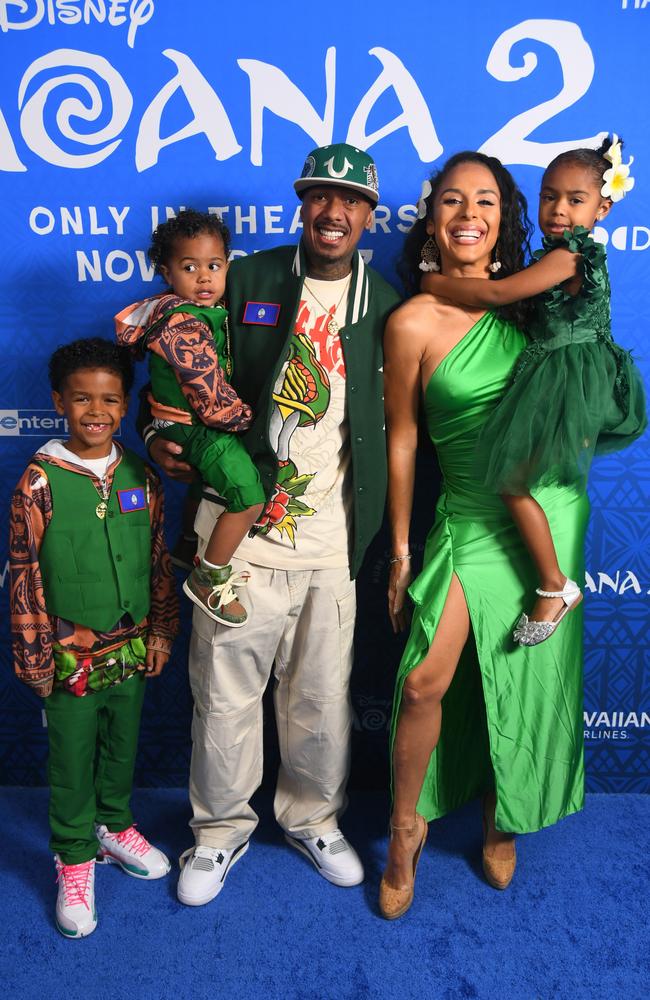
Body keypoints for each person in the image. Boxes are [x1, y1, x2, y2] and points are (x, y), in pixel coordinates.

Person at [144, 144, 400, 905]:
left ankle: (313, 818)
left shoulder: (383, 303)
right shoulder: (245, 276)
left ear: (367, 215)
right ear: (301, 202)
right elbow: (177, 352)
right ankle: (218, 831)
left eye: (349, 200)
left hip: (331, 538)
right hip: (238, 536)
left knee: (321, 698)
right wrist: (160, 435)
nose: (333, 211)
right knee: (224, 696)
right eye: (320, 195)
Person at [378, 151, 587, 920]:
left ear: (506, 217)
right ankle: (405, 828)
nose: (470, 213)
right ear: (433, 216)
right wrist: (401, 549)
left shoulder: (538, 305)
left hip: (546, 513)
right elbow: (402, 439)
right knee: (424, 679)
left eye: (488, 201)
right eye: (455, 200)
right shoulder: (412, 321)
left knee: (525, 675)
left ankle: (506, 815)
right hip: (469, 514)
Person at [419, 135, 646, 646]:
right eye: (549, 196)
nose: (559, 210)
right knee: (516, 481)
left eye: (575, 199)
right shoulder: (556, 254)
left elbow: (499, 292)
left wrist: (434, 285)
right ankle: (549, 579)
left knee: (513, 482)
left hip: (566, 379)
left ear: (603, 207)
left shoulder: (570, 257)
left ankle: (555, 584)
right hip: (556, 371)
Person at [9, 338, 179, 938]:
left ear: (126, 404)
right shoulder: (40, 482)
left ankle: (114, 826)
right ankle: (75, 857)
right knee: (72, 759)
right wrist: (33, 653)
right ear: (59, 402)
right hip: (68, 658)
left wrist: (160, 629)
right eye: (82, 399)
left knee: (121, 745)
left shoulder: (140, 473)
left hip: (130, 651)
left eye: (110, 399)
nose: (97, 412)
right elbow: (25, 572)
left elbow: (158, 557)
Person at [115, 209, 265, 627]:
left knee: (214, 486)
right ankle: (209, 574)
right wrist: (247, 420)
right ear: (167, 272)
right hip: (194, 424)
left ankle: (187, 544)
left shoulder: (198, 314)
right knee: (248, 496)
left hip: (186, 421)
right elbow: (209, 395)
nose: (204, 278)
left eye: (213, 266)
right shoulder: (183, 322)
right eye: (189, 267)